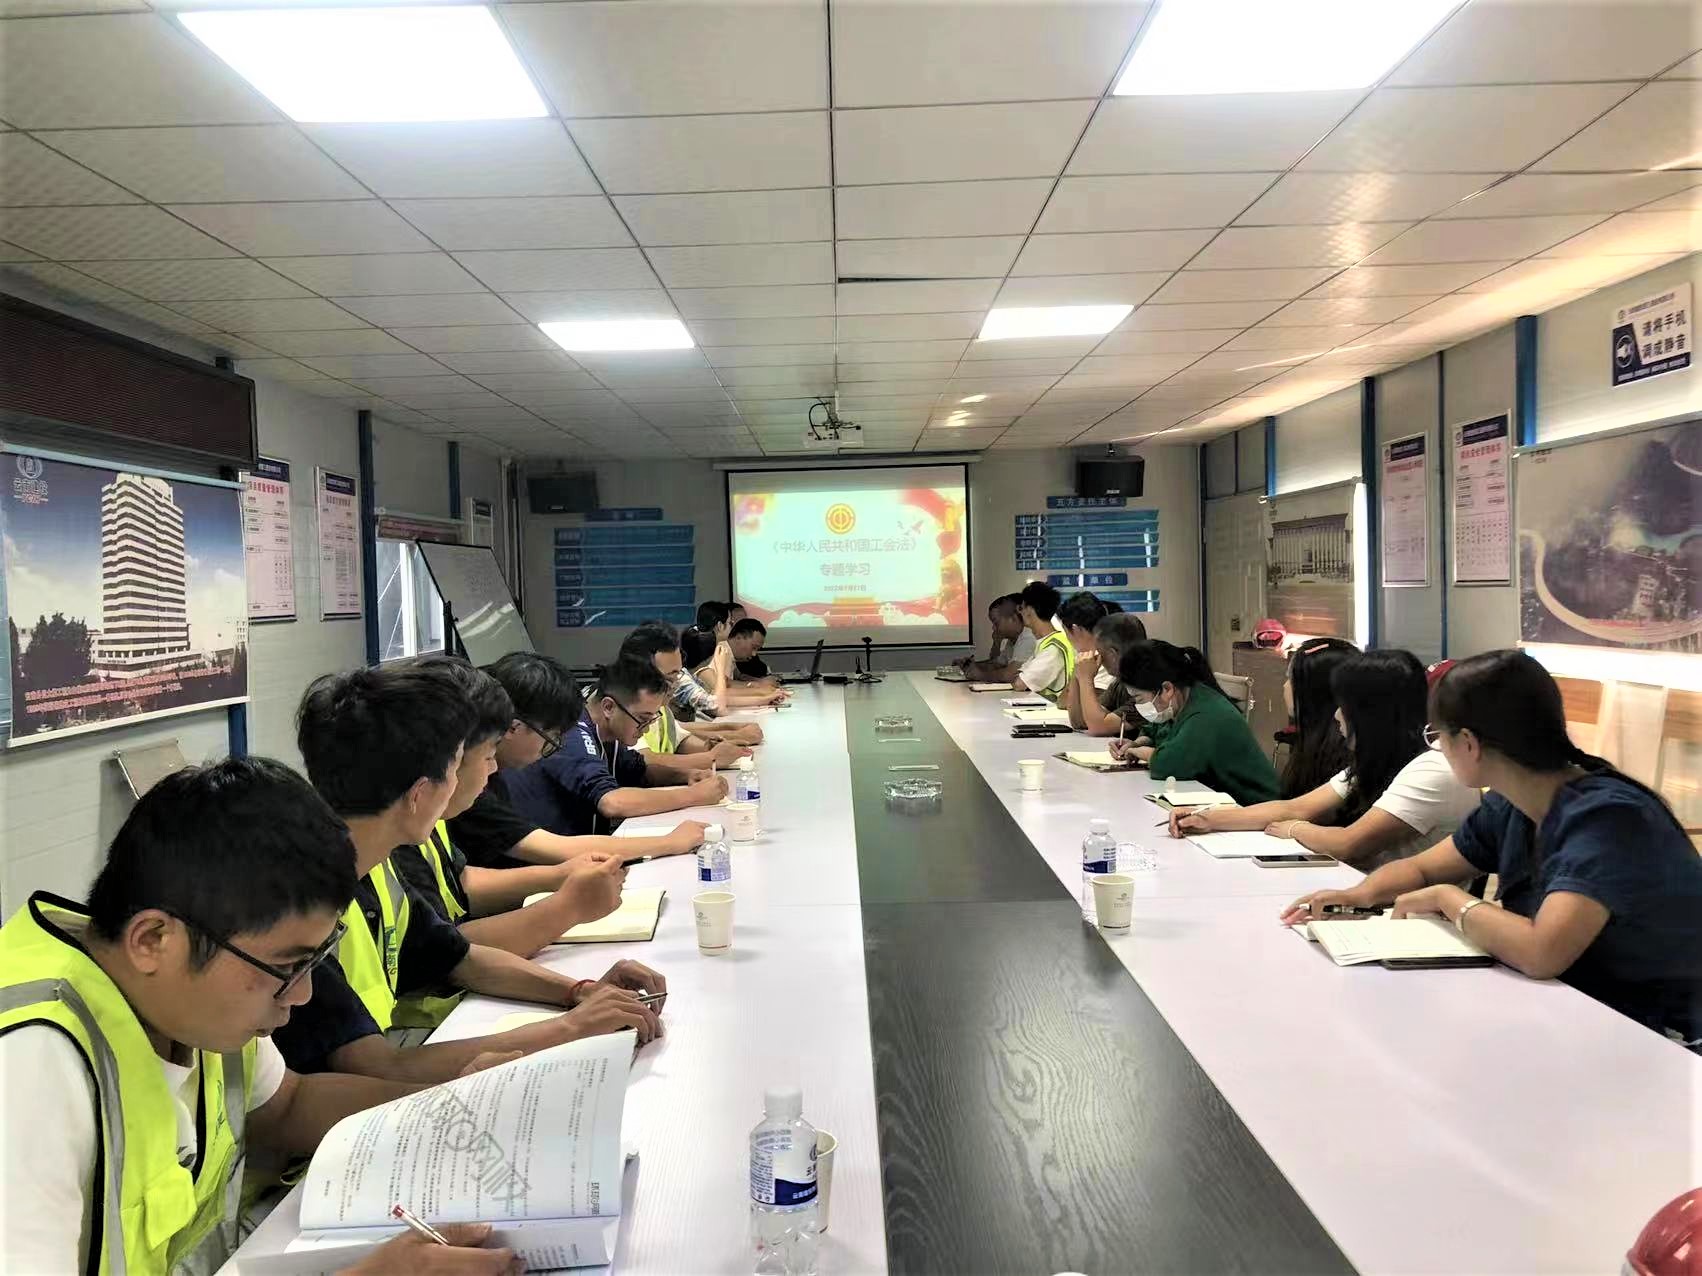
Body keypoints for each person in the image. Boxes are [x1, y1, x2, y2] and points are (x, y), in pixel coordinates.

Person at [0, 758, 512, 1275]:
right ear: (153, 940)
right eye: (286, 967)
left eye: (311, 963)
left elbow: (289, 1104)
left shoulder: (184, 1002)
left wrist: (456, 1110)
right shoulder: (28, 1067)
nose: (302, 994)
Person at [1285, 650, 1702, 1045]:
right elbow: (1422, 869)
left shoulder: (1606, 818)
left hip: (1660, 1034)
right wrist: (1358, 896)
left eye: (1438, 736)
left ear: (1468, 743)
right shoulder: (1513, 804)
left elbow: (1542, 952)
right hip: (1574, 1009)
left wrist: (1449, 900)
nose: (1438, 748)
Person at [277, 663, 666, 1082]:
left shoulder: (377, 867)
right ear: (421, 792)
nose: (491, 770)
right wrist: (571, 1029)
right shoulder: (301, 905)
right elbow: (377, 1067)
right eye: (466, 761)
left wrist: (579, 991)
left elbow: (460, 957)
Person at [394, 658, 641, 964]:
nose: (492, 767)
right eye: (487, 756)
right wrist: (568, 906)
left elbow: (458, 884)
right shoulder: (398, 839)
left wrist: (560, 877)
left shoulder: (429, 818)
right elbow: (443, 956)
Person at [1172, 649, 1479, 870]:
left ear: (1371, 715)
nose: (1336, 716)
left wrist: (1295, 829)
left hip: (1403, 913)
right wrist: (1206, 818)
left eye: (1343, 706)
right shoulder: (1380, 759)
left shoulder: (1430, 769)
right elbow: (1294, 807)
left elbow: (1348, 844)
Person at [446, 651, 704, 873]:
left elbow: (639, 768)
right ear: (513, 727)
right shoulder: (472, 787)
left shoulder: (492, 774)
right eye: (552, 737)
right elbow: (559, 846)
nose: (556, 746)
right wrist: (669, 841)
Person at [502, 655, 729, 839]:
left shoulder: (607, 735)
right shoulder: (574, 733)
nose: (646, 729)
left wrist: (686, 775)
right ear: (609, 707)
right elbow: (612, 802)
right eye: (642, 719)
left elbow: (639, 769)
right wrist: (693, 795)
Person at [1111, 639, 1280, 805]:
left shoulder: (1206, 714)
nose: (1138, 705)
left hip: (1256, 806)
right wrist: (1138, 742)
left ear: (1167, 689)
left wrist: (1138, 752)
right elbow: (1157, 730)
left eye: (1139, 698)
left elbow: (1167, 765)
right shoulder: (1184, 701)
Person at [618, 621, 756, 778]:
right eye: (670, 676)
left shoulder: (662, 708)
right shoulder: (624, 707)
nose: (676, 683)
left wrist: (710, 747)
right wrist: (710, 758)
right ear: (641, 673)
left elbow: (679, 740)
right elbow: (642, 760)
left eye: (678, 674)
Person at [1276, 637, 1357, 799]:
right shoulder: (1315, 742)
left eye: (1291, 679)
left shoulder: (1342, 762)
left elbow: (1296, 809)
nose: (1285, 686)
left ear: (1314, 692)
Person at [1067, 610, 1148, 736]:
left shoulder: (1147, 686)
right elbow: (1080, 721)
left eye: (1100, 652)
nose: (1098, 658)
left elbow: (1098, 726)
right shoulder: (1120, 683)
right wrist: (1077, 672)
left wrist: (1085, 679)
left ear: (1113, 654)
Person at [684, 624, 787, 709]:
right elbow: (721, 699)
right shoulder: (705, 670)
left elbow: (728, 686)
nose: (754, 654)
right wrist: (760, 691)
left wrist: (763, 694)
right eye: (730, 624)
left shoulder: (702, 670)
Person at [1011, 580, 1073, 703]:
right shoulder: (1046, 642)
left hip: (1056, 709)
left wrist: (1021, 679)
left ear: (1029, 610)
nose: (1020, 613)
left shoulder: (1053, 647)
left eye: (1021, 608)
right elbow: (1017, 675)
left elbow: (1019, 684)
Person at [1056, 591, 1111, 719]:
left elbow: (1079, 710)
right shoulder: (1086, 656)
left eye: (1066, 632)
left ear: (1076, 629)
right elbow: (1062, 700)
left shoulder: (1102, 657)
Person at [956, 594, 1034, 681]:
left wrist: (980, 675)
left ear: (1013, 619)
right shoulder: (1012, 641)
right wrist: (969, 665)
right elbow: (996, 665)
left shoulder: (1028, 636)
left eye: (996, 623)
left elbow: (1010, 675)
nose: (993, 628)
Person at [727, 617, 780, 685]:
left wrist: (761, 681)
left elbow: (739, 676)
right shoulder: (720, 651)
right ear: (738, 637)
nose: (754, 654)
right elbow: (724, 685)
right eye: (754, 647)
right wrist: (760, 685)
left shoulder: (731, 656)